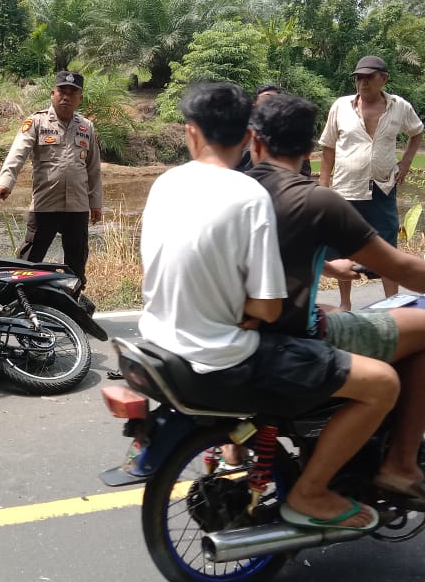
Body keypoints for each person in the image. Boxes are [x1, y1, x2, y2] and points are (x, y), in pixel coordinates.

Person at [139, 81, 399, 533]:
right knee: (381, 382)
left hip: (160, 338)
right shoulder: (247, 195)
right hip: (226, 355)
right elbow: (270, 309)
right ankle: (312, 492)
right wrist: (249, 312)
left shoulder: (167, 182)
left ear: (190, 133)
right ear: (247, 137)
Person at [248, 93, 425, 516]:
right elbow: (401, 267)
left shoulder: (242, 188)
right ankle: (402, 464)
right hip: (297, 332)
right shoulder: (316, 200)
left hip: (254, 325)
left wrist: (328, 267)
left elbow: (276, 249)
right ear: (311, 149)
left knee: (349, 314)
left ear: (255, 141)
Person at [319, 55, 425, 311]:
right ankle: (345, 304)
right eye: (358, 77)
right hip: (346, 189)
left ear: (383, 79)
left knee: (387, 249)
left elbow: (417, 131)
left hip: (382, 188)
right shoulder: (341, 106)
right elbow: (328, 147)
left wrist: (406, 163)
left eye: (369, 77)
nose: (362, 82)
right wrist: (323, 186)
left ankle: (393, 307)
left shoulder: (399, 106)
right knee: (344, 248)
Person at [0, 71, 103, 291]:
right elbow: (18, 153)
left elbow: (93, 169)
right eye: (62, 91)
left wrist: (96, 203)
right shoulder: (37, 121)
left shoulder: (86, 127)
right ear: (53, 94)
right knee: (28, 261)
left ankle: (73, 304)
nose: (66, 97)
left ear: (80, 98)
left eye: (73, 93)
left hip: (78, 207)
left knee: (76, 263)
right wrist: (5, 182)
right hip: (45, 204)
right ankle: (18, 302)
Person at [234, 84, 311, 176]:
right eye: (267, 97)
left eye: (276, 99)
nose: (271, 102)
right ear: (254, 104)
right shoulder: (241, 130)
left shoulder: (290, 132)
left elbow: (303, 171)